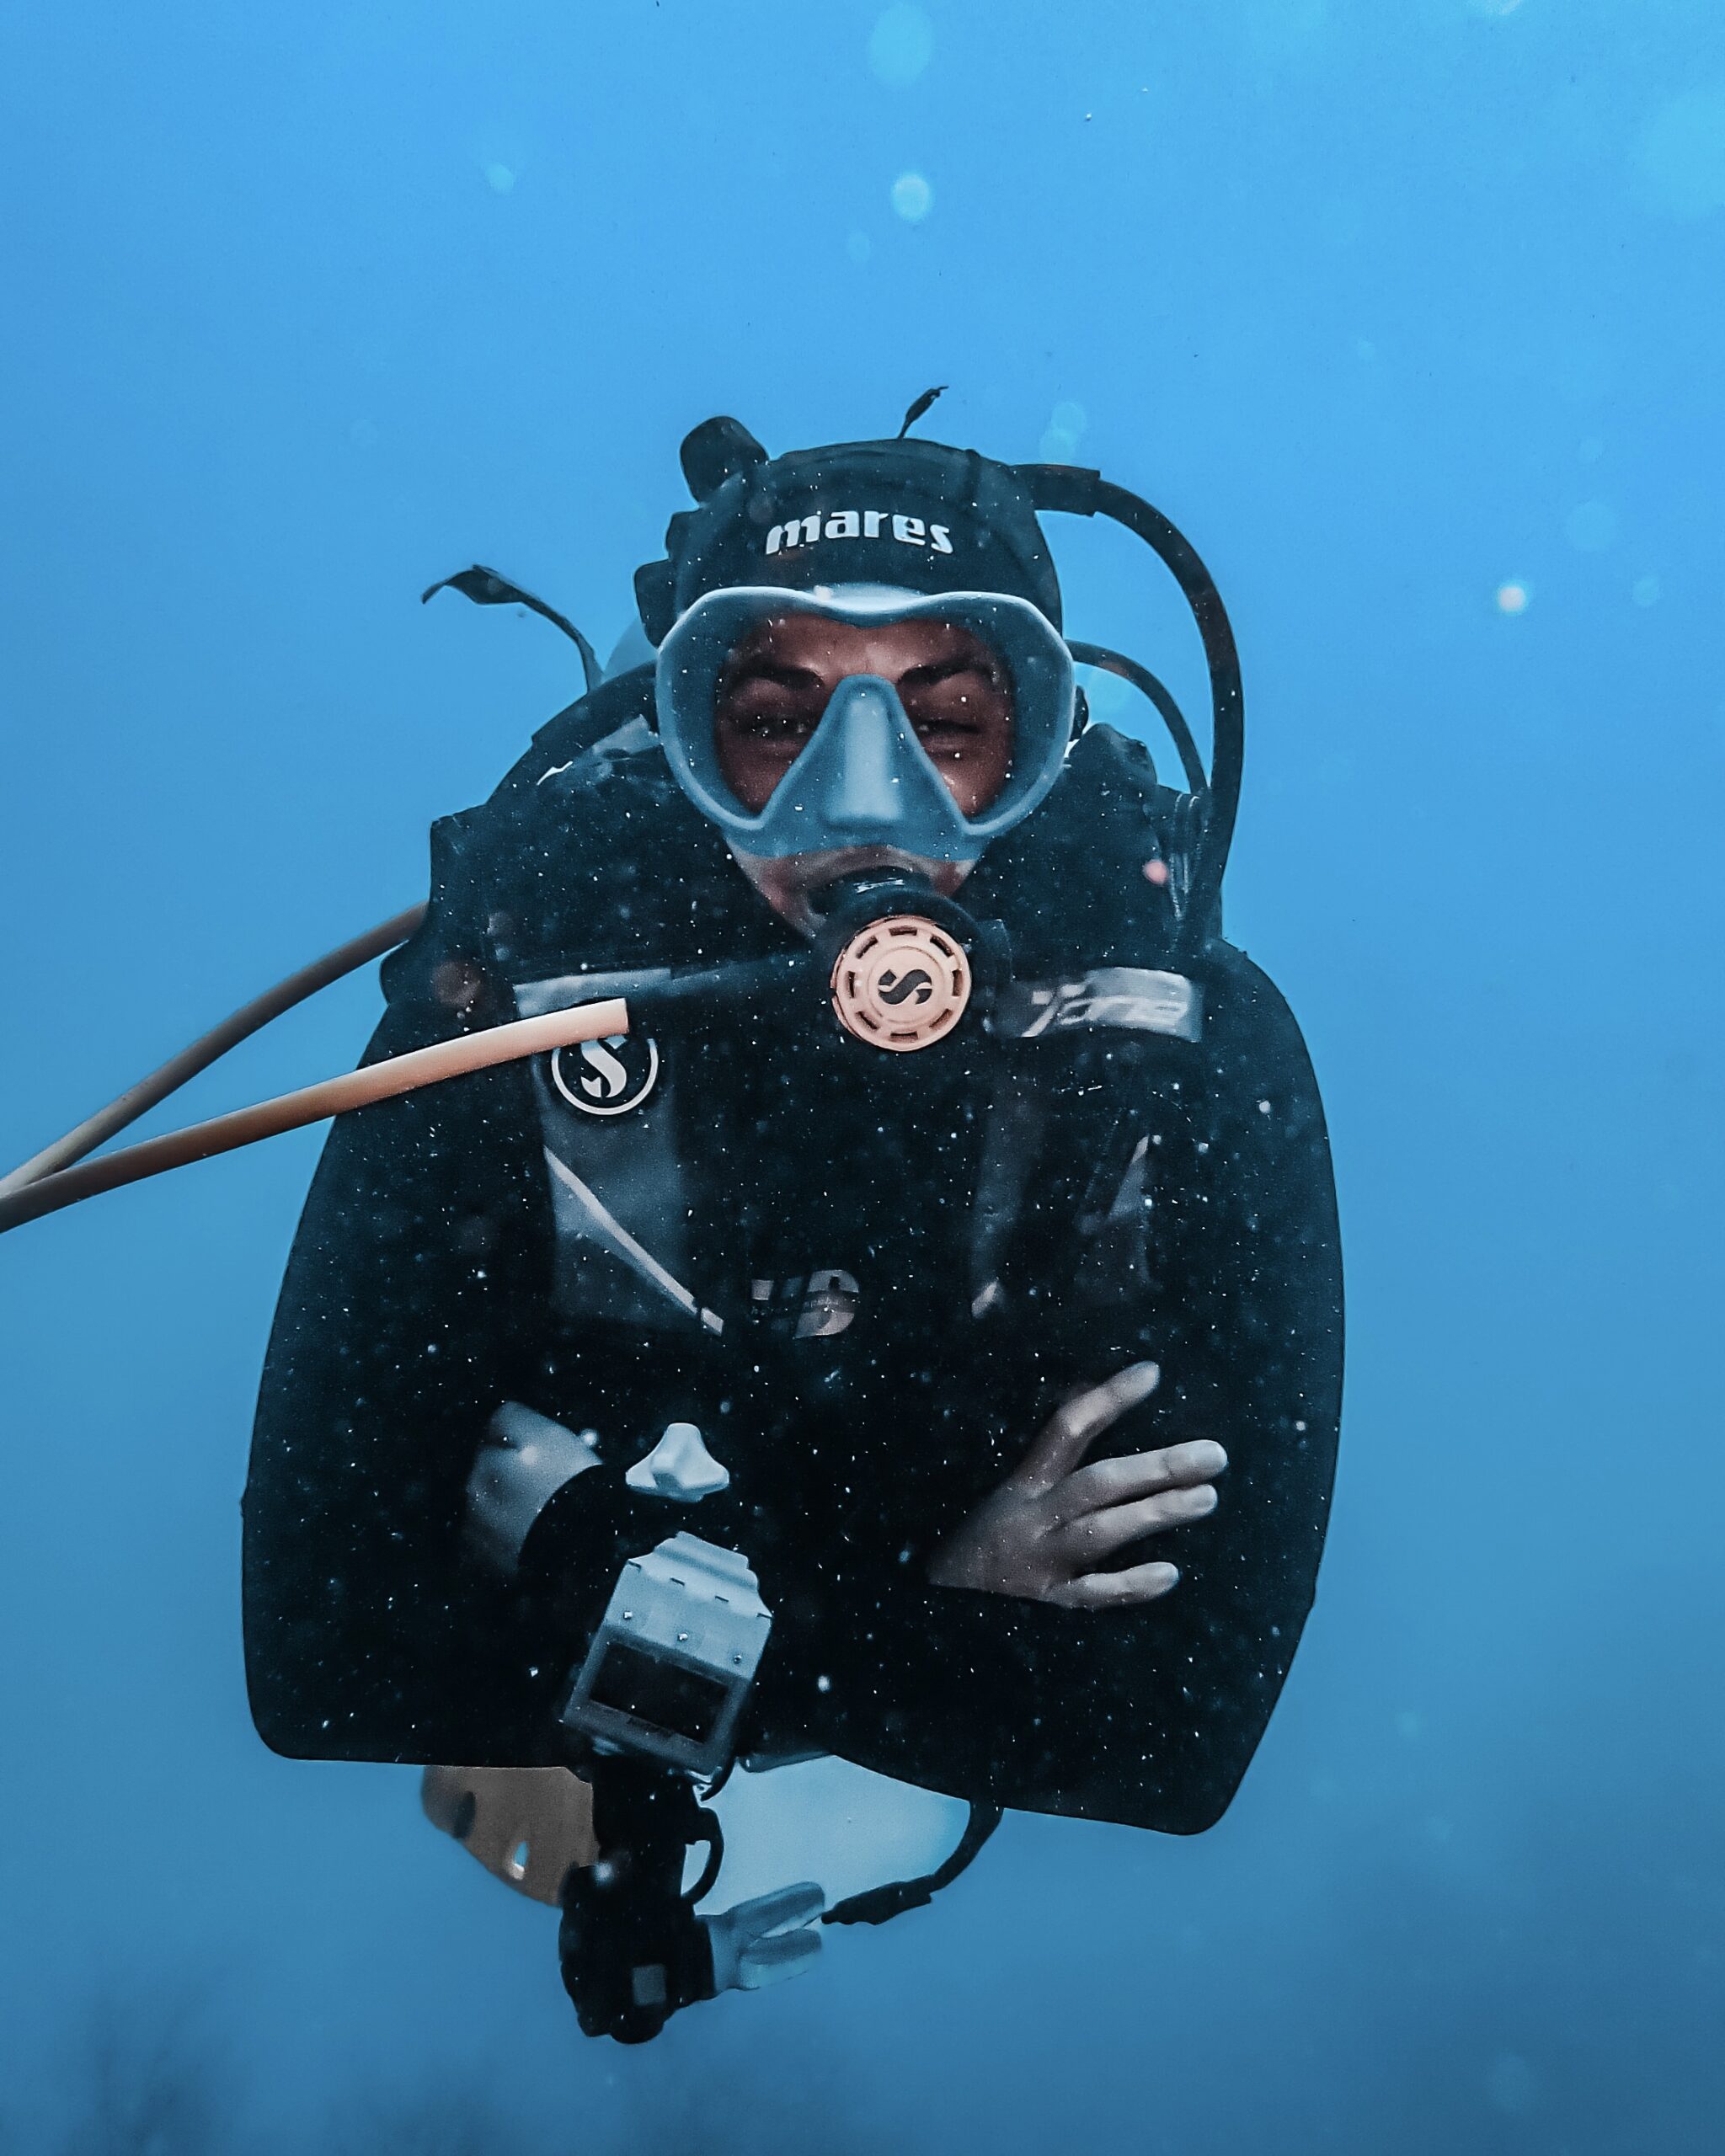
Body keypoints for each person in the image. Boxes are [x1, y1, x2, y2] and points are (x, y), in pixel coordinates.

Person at [241, 415, 1343, 2036]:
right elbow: (319, 1655)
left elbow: (1176, 1750)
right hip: (634, 1761)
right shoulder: (516, 999)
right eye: (777, 722)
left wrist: (563, 1540)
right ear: (687, 744)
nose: (866, 800)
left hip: (665, 1677)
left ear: (1041, 746)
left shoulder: (1177, 1053)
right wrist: (943, 1606)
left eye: (950, 721)